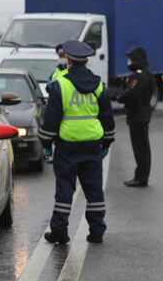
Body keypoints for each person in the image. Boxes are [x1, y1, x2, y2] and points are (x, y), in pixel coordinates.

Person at [38, 40, 115, 244]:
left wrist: (46, 144)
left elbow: (51, 119)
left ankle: (60, 232)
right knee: (94, 189)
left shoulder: (60, 85)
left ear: (68, 61)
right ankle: (97, 230)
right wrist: (107, 143)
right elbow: (107, 117)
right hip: (92, 144)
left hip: (68, 145)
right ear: (86, 61)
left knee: (65, 190)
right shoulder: (99, 85)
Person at [116, 46, 154, 187]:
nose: (129, 62)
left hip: (138, 115)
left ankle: (141, 178)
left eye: (130, 59)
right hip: (140, 115)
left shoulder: (138, 76)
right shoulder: (145, 74)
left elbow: (132, 93)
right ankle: (141, 176)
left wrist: (120, 98)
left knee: (141, 149)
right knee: (141, 147)